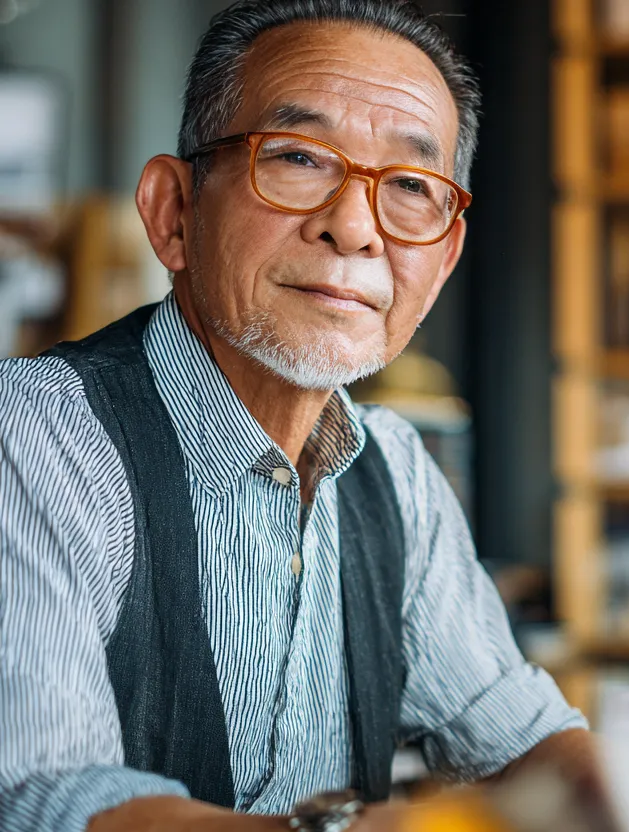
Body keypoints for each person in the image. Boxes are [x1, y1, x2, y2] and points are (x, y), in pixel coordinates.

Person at [0, 2, 593, 830]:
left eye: (413, 187)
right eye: (297, 157)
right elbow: (43, 798)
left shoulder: (395, 472)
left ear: (444, 257)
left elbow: (519, 737)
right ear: (173, 212)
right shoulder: (35, 436)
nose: (353, 228)